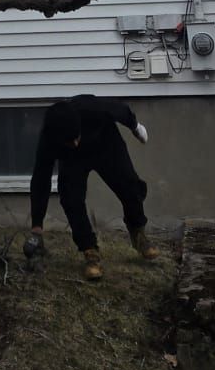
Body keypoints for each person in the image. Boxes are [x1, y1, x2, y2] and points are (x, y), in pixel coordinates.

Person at [25, 95, 153, 281]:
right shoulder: (49, 138)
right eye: (70, 141)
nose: (76, 143)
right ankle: (89, 251)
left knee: (130, 185)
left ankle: (138, 233)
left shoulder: (91, 107)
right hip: (73, 160)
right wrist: (37, 225)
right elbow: (40, 180)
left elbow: (120, 109)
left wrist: (135, 127)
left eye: (75, 137)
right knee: (70, 199)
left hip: (106, 145)